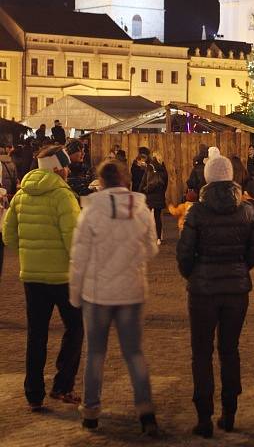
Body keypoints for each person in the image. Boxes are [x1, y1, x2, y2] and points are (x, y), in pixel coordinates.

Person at [69, 159, 160, 435]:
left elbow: (79, 256)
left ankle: (91, 411)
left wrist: (75, 293)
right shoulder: (141, 210)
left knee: (95, 353)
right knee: (134, 353)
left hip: (97, 294)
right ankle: (145, 411)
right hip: (131, 291)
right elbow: (151, 249)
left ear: (101, 182)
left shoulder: (91, 211)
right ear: (125, 180)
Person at [177, 152, 254, 438]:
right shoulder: (247, 210)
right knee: (230, 350)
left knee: (201, 353)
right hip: (236, 291)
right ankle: (230, 411)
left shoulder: (197, 212)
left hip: (203, 291)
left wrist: (195, 274)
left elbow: (184, 254)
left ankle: (204, 417)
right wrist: (240, 268)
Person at [2, 145, 83, 410]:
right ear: (59, 168)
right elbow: (74, 241)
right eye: (66, 166)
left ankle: (33, 393)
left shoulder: (21, 195)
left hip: (32, 276)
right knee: (75, 327)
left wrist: (29, 254)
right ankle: (62, 383)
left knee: (36, 334)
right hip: (62, 277)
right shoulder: (63, 196)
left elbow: (8, 235)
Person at [139, 151, 168, 245]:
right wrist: (162, 192)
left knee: (146, 217)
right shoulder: (163, 168)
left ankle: (146, 237)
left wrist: (140, 191)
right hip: (159, 195)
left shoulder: (149, 167)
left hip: (150, 195)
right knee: (157, 218)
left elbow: (144, 181)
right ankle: (158, 238)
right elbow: (166, 182)